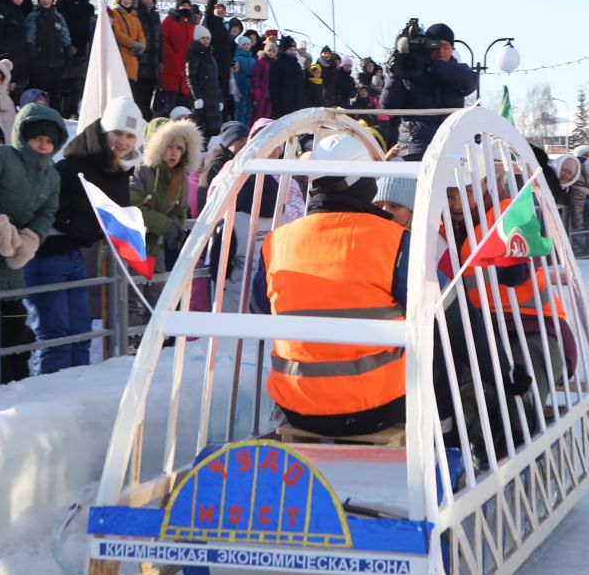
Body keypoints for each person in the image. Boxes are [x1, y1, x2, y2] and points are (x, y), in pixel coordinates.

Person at [249, 132, 414, 438]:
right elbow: (439, 315)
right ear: (365, 181)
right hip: (378, 408)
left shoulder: (278, 240)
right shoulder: (393, 240)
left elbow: (259, 307)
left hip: (296, 408)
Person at [28, 96, 140, 374]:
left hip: (74, 255)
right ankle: (52, 402)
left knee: (80, 335)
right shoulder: (73, 165)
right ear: (104, 133)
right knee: (57, 339)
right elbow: (48, 206)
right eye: (117, 133)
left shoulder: (120, 171)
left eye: (129, 136)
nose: (122, 142)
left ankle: (75, 395)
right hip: (46, 256)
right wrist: (78, 226)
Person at [0, 102, 63, 391]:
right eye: (37, 138)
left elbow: (49, 210)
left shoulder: (51, 174)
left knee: (17, 330)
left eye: (48, 141)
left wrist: (33, 237)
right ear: (23, 136)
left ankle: (18, 389)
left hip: (12, 264)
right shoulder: (1, 156)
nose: (42, 145)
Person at [380, 23, 476, 155]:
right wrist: (394, 71)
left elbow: (470, 84)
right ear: (427, 47)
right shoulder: (408, 72)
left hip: (449, 145)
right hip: (415, 147)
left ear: (452, 49)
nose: (441, 51)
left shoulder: (460, 72)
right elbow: (389, 107)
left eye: (445, 46)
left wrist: (433, 65)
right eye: (436, 46)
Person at [132, 116, 202, 269]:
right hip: (132, 249)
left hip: (156, 250)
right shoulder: (140, 170)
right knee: (134, 291)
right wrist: (166, 225)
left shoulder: (180, 175)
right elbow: (133, 207)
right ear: (156, 146)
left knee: (158, 290)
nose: (174, 153)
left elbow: (180, 211)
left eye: (179, 148)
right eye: (169, 146)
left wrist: (174, 228)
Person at [54, 0, 97, 116]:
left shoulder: (88, 8)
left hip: (79, 52)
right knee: (60, 85)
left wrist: (77, 46)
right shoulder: (62, 4)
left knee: (75, 86)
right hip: (60, 50)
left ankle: (73, 113)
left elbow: (86, 32)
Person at [19, 0, 69, 101]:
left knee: (56, 92)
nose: (46, 0)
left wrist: (67, 52)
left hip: (57, 61)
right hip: (41, 61)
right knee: (39, 92)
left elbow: (65, 36)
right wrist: (32, 55)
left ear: (52, 0)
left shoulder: (58, 17)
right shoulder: (34, 16)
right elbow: (30, 37)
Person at [108, 0, 150, 110]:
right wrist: (134, 45)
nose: (127, 1)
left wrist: (141, 46)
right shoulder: (115, 13)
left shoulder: (135, 17)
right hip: (120, 58)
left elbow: (141, 35)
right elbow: (117, 33)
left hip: (132, 62)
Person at [157, 0, 195, 116]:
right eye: (183, 5)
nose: (185, 8)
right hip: (171, 69)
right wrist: (173, 55)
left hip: (185, 73)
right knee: (169, 107)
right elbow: (162, 39)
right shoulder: (169, 21)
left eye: (187, 6)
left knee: (184, 111)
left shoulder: (192, 24)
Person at [186, 25, 224, 136]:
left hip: (213, 99)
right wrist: (197, 97)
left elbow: (215, 80)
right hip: (202, 98)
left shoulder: (211, 56)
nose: (206, 40)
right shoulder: (194, 55)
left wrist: (220, 99)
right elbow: (191, 77)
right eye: (203, 38)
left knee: (214, 130)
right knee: (202, 128)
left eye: (207, 38)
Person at [133, 0, 165, 116]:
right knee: (138, 98)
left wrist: (162, 59)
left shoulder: (155, 15)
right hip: (140, 62)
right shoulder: (136, 14)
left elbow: (160, 39)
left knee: (148, 98)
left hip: (153, 63)